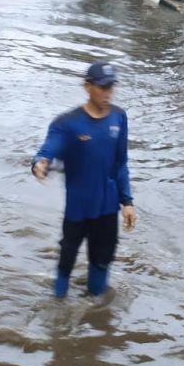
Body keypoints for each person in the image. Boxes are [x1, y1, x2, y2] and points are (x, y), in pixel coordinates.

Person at [32, 61, 137, 298]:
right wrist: (40, 163)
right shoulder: (68, 123)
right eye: (102, 87)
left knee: (102, 262)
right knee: (66, 262)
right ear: (87, 87)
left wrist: (127, 202)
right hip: (78, 210)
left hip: (107, 209)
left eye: (111, 87)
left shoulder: (119, 118)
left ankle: (97, 315)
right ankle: (57, 310)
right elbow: (49, 149)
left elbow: (120, 163)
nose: (108, 93)